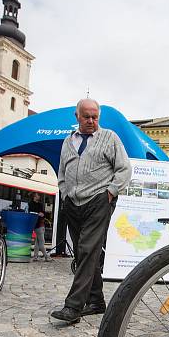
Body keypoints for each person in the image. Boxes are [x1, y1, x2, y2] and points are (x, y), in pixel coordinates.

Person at [50, 98, 131, 324]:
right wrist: (64, 194)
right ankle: (96, 301)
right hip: (73, 204)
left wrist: (111, 192)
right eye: (86, 116)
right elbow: (62, 172)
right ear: (77, 116)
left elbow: (124, 168)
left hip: (98, 200)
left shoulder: (110, 138)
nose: (91, 121)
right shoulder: (68, 141)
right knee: (82, 251)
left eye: (95, 116)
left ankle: (73, 307)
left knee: (87, 249)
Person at [28, 192, 49, 261]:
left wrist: (42, 214)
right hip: (38, 225)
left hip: (40, 224)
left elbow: (43, 213)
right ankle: (46, 256)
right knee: (41, 242)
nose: (39, 196)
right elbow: (31, 213)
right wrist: (38, 214)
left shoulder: (40, 204)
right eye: (37, 195)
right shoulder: (31, 204)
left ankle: (35, 256)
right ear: (34, 197)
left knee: (37, 242)